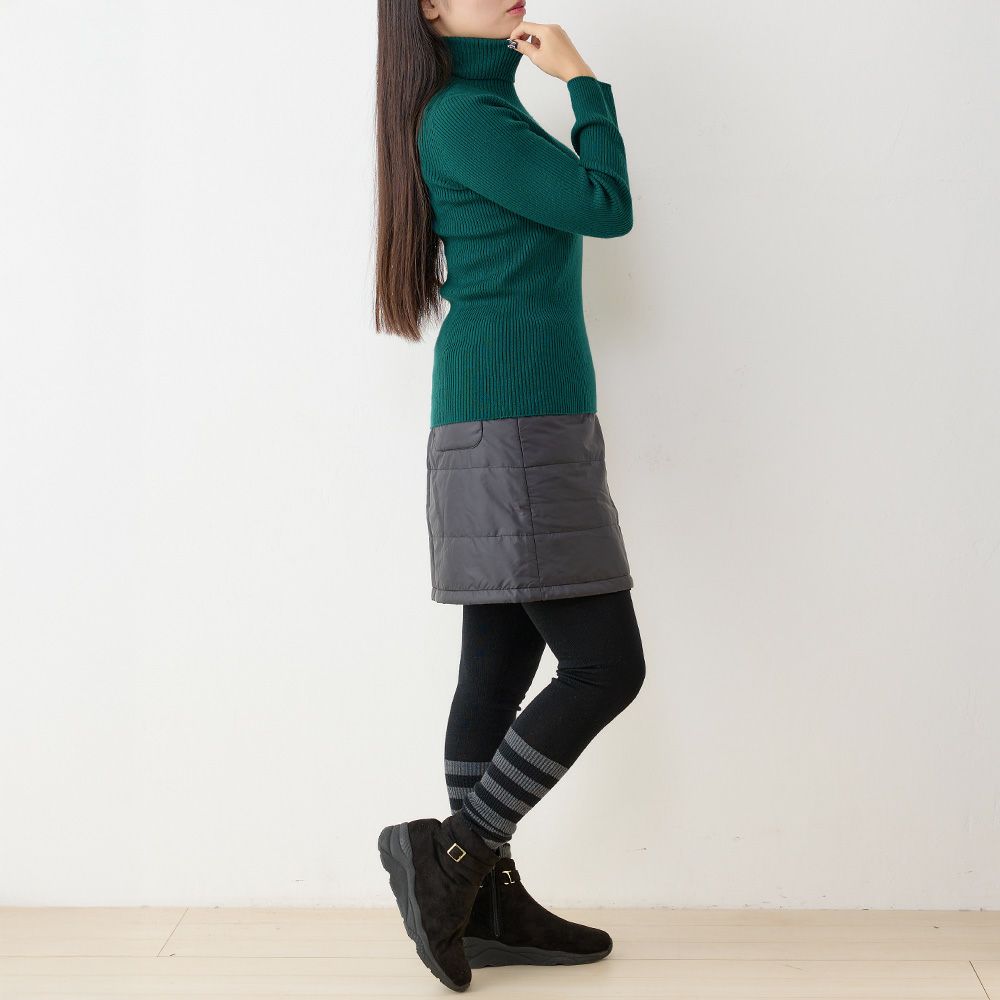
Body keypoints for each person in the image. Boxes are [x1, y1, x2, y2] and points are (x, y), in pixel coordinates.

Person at [372, 0, 646, 990]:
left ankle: (485, 902)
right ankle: (453, 858)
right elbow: (604, 204)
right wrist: (583, 82)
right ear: (431, 10)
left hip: (505, 420)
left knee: (496, 665)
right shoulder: (465, 118)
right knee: (605, 666)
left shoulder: (477, 106)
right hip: (518, 428)